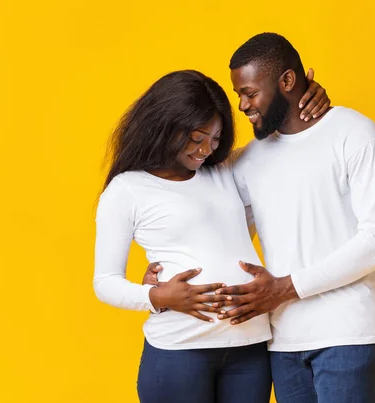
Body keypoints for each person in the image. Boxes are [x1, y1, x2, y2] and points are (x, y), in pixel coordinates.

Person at [146, 32, 375, 403]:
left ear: (287, 81)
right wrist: (164, 274)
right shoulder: (248, 160)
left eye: (250, 93)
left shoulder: (355, 134)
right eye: (239, 96)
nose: (244, 106)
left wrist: (284, 288)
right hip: (281, 340)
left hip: (349, 335)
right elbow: (210, 219)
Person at [93, 69, 330, 403]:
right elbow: (104, 282)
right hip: (180, 350)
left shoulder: (224, 170)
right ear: (165, 125)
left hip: (249, 348)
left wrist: (302, 97)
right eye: (197, 138)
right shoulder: (127, 189)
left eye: (216, 139)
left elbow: (280, 142)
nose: (206, 149)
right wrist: (160, 298)